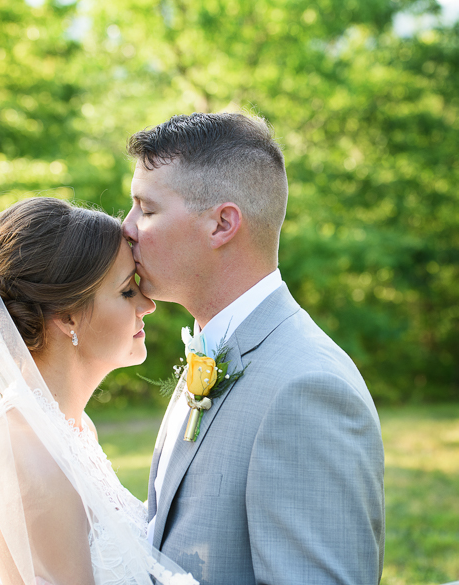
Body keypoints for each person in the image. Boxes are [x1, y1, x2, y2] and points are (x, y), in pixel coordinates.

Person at [122, 112, 385, 585]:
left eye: (147, 209)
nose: (128, 228)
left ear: (222, 224)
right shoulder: (212, 351)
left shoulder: (308, 389)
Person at [0, 197, 198, 585]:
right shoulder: (26, 454)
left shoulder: (72, 428)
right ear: (67, 316)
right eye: (126, 292)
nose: (148, 304)